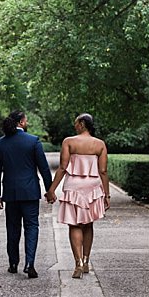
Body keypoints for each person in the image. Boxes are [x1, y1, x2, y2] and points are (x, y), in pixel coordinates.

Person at [45, 113, 110, 279]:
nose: (74, 126)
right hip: (93, 188)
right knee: (88, 224)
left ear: (82, 124)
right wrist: (107, 195)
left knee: (74, 225)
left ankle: (78, 263)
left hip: (73, 187)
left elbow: (62, 168)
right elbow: (103, 171)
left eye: (76, 123)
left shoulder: (69, 142)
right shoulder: (100, 144)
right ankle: (87, 261)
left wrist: (51, 189)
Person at [0, 110, 53, 279]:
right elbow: (44, 168)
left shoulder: (0, 144)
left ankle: (13, 263)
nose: (27, 123)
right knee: (32, 227)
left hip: (10, 193)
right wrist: (50, 190)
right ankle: (29, 263)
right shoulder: (33, 141)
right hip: (30, 192)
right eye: (26, 120)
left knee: (12, 228)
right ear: (21, 122)